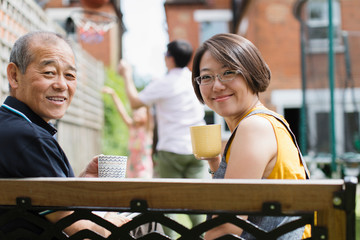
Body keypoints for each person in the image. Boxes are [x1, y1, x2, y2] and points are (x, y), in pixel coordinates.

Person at [0, 31, 130, 237]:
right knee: (143, 225)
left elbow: (54, 209)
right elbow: (78, 231)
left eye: (69, 75)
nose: (62, 85)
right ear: (14, 75)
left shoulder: (10, 125)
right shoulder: (30, 138)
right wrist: (111, 222)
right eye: (49, 73)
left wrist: (78, 184)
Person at [191, 33, 311, 239]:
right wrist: (216, 165)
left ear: (252, 73)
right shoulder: (268, 122)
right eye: (207, 77)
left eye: (228, 73)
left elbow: (226, 229)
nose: (217, 86)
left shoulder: (254, 128)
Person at [118, 40, 207, 233]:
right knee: (197, 204)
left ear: (170, 58)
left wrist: (126, 75)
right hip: (198, 149)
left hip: (172, 149)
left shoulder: (164, 83)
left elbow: (135, 103)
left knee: (168, 204)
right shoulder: (196, 80)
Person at [102, 86, 154, 178]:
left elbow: (149, 110)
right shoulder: (132, 127)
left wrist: (146, 101)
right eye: (135, 111)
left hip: (143, 170)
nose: (136, 113)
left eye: (140, 111)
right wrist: (113, 94)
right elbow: (121, 111)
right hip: (131, 169)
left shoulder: (147, 129)